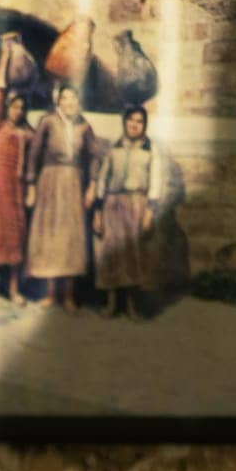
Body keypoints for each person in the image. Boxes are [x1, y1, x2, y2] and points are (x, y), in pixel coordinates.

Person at [24, 83, 97, 312]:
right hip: (49, 183)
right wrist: (31, 185)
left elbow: (94, 157)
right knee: (50, 235)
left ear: (78, 101)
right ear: (58, 101)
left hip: (73, 183)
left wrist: (92, 186)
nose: (69, 103)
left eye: (73, 99)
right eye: (65, 98)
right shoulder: (47, 122)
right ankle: (50, 293)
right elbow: (34, 154)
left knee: (70, 237)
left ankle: (68, 295)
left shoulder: (84, 126)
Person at [92, 105, 167, 319]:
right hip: (113, 204)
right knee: (112, 252)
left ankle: (132, 305)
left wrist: (150, 212)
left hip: (137, 204)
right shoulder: (113, 148)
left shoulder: (150, 150)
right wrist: (98, 212)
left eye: (139, 122)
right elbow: (102, 180)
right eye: (131, 121)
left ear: (144, 125)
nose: (134, 125)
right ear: (125, 122)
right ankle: (111, 303)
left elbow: (156, 182)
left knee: (133, 254)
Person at [0, 43, 33, 304]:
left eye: (22, 108)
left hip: (18, 189)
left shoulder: (29, 133)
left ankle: (14, 289)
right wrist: (4, 56)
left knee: (16, 237)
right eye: (14, 107)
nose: (18, 111)